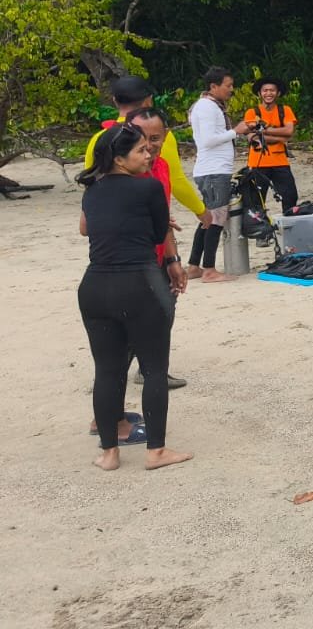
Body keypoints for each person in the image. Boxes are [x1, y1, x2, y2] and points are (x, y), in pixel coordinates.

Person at [76, 121, 193, 472]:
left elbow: (87, 228)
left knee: (107, 371)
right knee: (155, 370)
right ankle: (156, 451)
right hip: (140, 284)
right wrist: (162, 223)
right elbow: (158, 234)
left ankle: (109, 453)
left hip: (94, 287)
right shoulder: (149, 187)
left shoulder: (92, 189)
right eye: (141, 150)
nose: (149, 154)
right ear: (119, 158)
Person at [85, 77, 203, 388]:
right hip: (123, 260)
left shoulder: (159, 165)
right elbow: (91, 209)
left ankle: (149, 371)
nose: (149, 147)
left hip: (156, 254)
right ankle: (114, 387)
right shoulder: (110, 153)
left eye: (156, 139)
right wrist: (199, 211)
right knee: (124, 326)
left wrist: (172, 258)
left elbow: (164, 207)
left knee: (163, 312)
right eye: (142, 141)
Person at [187, 66, 253, 283]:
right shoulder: (207, 107)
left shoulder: (208, 105)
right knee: (217, 219)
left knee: (208, 218)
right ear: (213, 86)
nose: (231, 89)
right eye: (228, 85)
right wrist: (236, 131)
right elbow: (208, 140)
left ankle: (194, 266)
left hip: (212, 170)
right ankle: (209, 269)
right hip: (214, 171)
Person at [243, 77, 298, 212]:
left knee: (290, 197)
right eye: (265, 90)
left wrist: (264, 130)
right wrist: (280, 137)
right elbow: (252, 137)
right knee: (255, 201)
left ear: (278, 93)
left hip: (280, 161)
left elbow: (289, 131)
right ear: (259, 93)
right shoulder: (252, 112)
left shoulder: (285, 110)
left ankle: (289, 221)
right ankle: (260, 224)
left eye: (272, 90)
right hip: (258, 162)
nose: (268, 93)